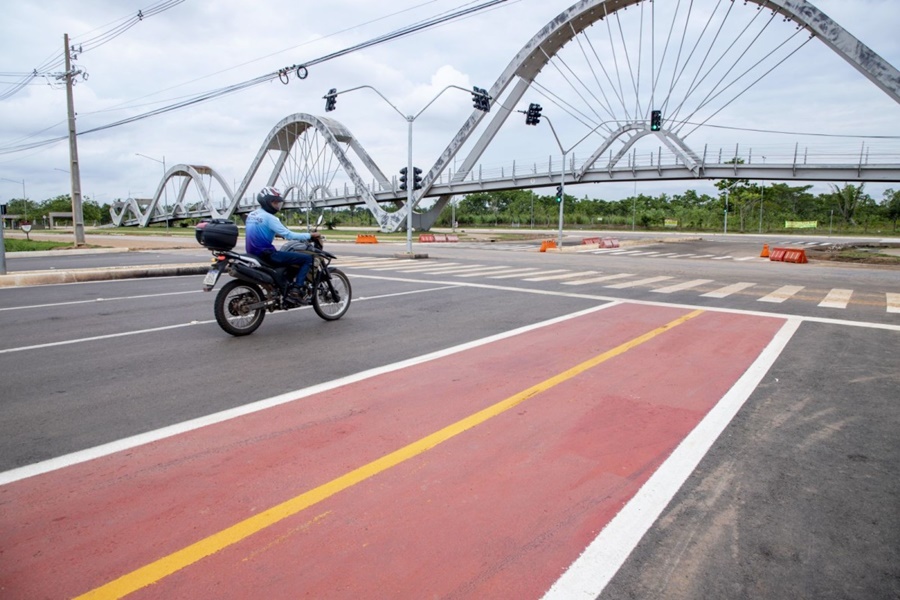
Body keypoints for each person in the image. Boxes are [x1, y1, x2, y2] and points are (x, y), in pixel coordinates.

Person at [245, 186, 320, 299]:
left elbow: (260, 230)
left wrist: (276, 234)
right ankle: (296, 289)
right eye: (274, 202)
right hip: (267, 254)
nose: (277, 205)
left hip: (252, 253)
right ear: (266, 202)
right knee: (307, 259)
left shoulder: (251, 215)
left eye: (278, 203)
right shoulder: (270, 218)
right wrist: (310, 235)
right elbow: (289, 235)